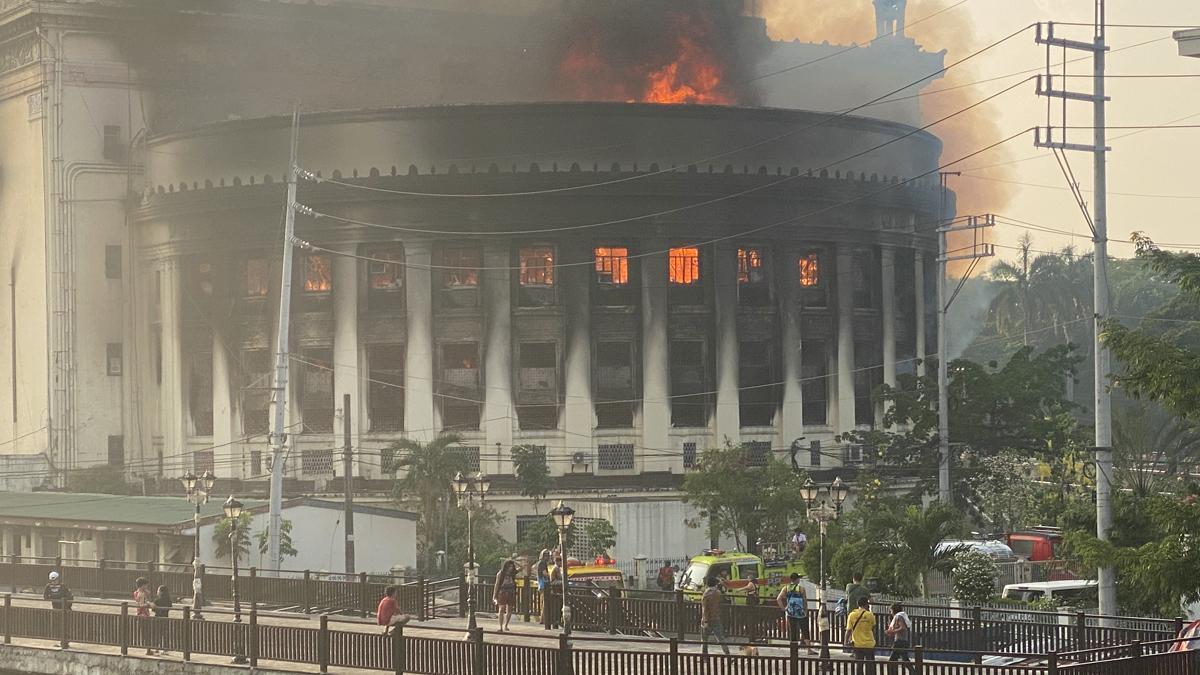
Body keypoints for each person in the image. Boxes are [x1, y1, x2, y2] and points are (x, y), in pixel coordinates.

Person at [776, 572, 817, 655]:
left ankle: (793, 651)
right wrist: (805, 610)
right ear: (797, 579)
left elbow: (778, 599)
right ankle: (809, 650)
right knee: (805, 630)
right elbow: (805, 601)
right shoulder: (801, 589)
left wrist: (784, 608)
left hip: (791, 613)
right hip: (801, 612)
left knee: (793, 631)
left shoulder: (786, 588)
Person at [699, 577, 730, 657]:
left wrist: (705, 621)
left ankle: (704, 656)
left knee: (704, 640)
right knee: (721, 638)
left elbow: (705, 609)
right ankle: (727, 654)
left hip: (707, 619)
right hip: (716, 618)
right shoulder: (718, 593)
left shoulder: (706, 594)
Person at [846, 595, 877, 674]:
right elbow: (873, 627)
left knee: (859, 665)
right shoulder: (870, 615)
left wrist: (845, 641)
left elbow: (848, 630)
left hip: (857, 644)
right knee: (870, 665)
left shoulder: (852, 615)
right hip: (869, 643)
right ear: (866, 604)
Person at [44, 571, 73, 649]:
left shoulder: (63, 586)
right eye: (52, 581)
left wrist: (67, 606)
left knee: (65, 625)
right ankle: (61, 641)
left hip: (64, 609)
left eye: (55, 580)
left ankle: (65, 642)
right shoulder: (48, 587)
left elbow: (70, 597)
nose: (54, 582)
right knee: (58, 625)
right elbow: (45, 597)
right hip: (56, 609)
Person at [886, 602, 914, 674]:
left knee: (892, 661)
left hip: (899, 641)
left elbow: (903, 628)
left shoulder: (898, 617)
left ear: (894, 610)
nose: (891, 612)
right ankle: (914, 672)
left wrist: (893, 631)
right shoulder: (902, 616)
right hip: (903, 640)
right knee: (905, 659)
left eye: (891, 611)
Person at [493, 559, 518, 632]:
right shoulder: (500, 574)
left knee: (509, 609)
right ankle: (500, 626)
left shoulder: (513, 573)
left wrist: (515, 562)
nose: (510, 568)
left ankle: (506, 625)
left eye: (511, 566)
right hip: (503, 591)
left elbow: (522, 567)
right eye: (509, 566)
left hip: (511, 591)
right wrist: (494, 595)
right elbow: (497, 585)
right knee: (502, 608)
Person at [133, 577, 154, 656]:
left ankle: (148, 649)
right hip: (144, 614)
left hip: (139, 613)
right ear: (142, 585)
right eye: (146, 585)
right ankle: (148, 649)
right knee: (147, 632)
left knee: (145, 632)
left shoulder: (136, 592)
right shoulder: (141, 594)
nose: (147, 587)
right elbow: (141, 605)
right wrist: (149, 604)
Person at [152, 585, 173, 656]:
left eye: (158, 590)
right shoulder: (168, 600)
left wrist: (153, 606)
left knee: (157, 633)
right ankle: (165, 649)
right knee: (165, 634)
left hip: (158, 618)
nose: (157, 592)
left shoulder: (157, 600)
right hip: (165, 618)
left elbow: (154, 609)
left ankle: (156, 648)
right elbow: (169, 607)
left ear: (161, 592)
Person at [535, 549, 552, 630]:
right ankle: (543, 619)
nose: (547, 557)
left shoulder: (541, 563)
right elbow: (544, 573)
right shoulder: (542, 563)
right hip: (543, 584)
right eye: (546, 555)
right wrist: (551, 577)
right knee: (545, 602)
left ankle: (542, 618)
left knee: (543, 602)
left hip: (542, 584)